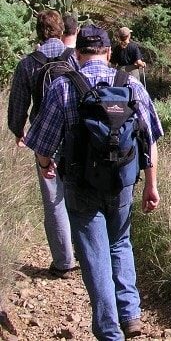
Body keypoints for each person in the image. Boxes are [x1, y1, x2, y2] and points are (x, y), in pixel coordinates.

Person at [25, 25, 163, 340]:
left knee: (94, 252)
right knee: (120, 242)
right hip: (122, 181)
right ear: (109, 52)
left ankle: (108, 329)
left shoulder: (62, 85)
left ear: (77, 55)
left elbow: (42, 145)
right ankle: (130, 315)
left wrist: (47, 166)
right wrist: (151, 184)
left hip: (80, 184)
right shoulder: (130, 85)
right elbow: (149, 137)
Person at [7, 10, 78, 279]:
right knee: (76, 193)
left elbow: (18, 101)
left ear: (38, 31)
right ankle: (85, 250)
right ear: (62, 30)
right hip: (75, 135)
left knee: (53, 199)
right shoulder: (75, 58)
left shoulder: (28, 63)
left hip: (42, 137)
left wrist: (18, 130)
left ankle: (64, 262)